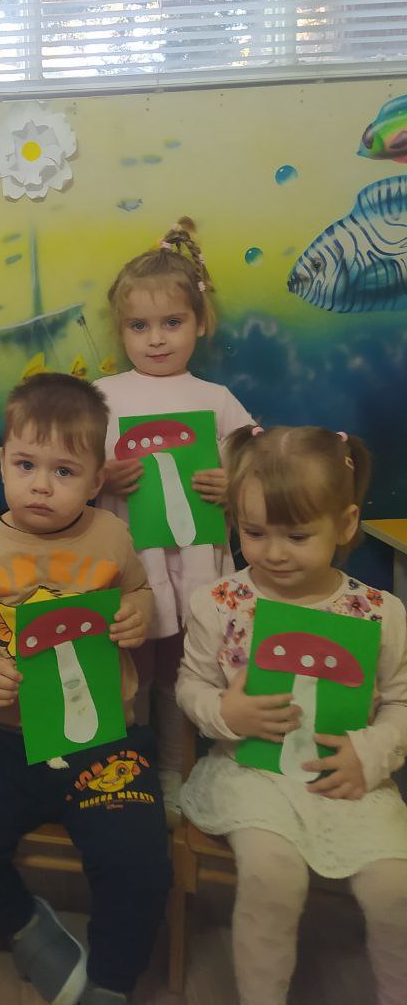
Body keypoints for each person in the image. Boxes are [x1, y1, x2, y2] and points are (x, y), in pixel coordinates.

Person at [0, 373, 170, 1005]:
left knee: (139, 860)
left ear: (96, 481)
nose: (41, 484)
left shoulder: (111, 536)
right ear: (2, 461)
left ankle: (112, 981)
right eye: (26, 465)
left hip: (102, 740)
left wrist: (136, 615)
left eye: (64, 471)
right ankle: (22, 923)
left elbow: (138, 591)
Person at [177, 425, 407, 1005]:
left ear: (346, 524)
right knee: (271, 874)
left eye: (297, 535)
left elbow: (401, 701)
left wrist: (370, 753)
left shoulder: (379, 612)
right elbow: (190, 686)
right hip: (250, 774)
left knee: (396, 888)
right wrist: (225, 712)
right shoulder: (219, 604)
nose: (273, 553)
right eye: (253, 532)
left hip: (348, 778)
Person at [95, 217, 253, 813]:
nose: (156, 339)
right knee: (130, 664)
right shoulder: (106, 396)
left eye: (172, 322)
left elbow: (262, 470)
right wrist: (103, 477)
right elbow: (73, 471)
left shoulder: (215, 399)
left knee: (183, 669)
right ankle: (124, 767)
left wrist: (234, 483)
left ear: (200, 322)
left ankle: (170, 769)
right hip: (133, 561)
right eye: (139, 326)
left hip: (196, 561)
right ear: (121, 330)